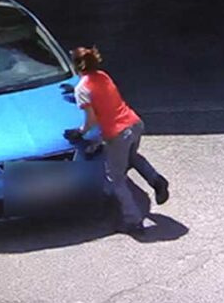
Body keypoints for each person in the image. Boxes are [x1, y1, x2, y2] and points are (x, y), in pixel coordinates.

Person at [70, 47, 169, 234]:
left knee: (116, 178)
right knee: (132, 157)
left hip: (117, 133)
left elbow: (91, 119)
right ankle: (156, 180)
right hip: (134, 123)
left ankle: (133, 221)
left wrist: (80, 132)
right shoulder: (103, 75)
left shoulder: (81, 89)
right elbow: (103, 98)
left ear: (75, 66)